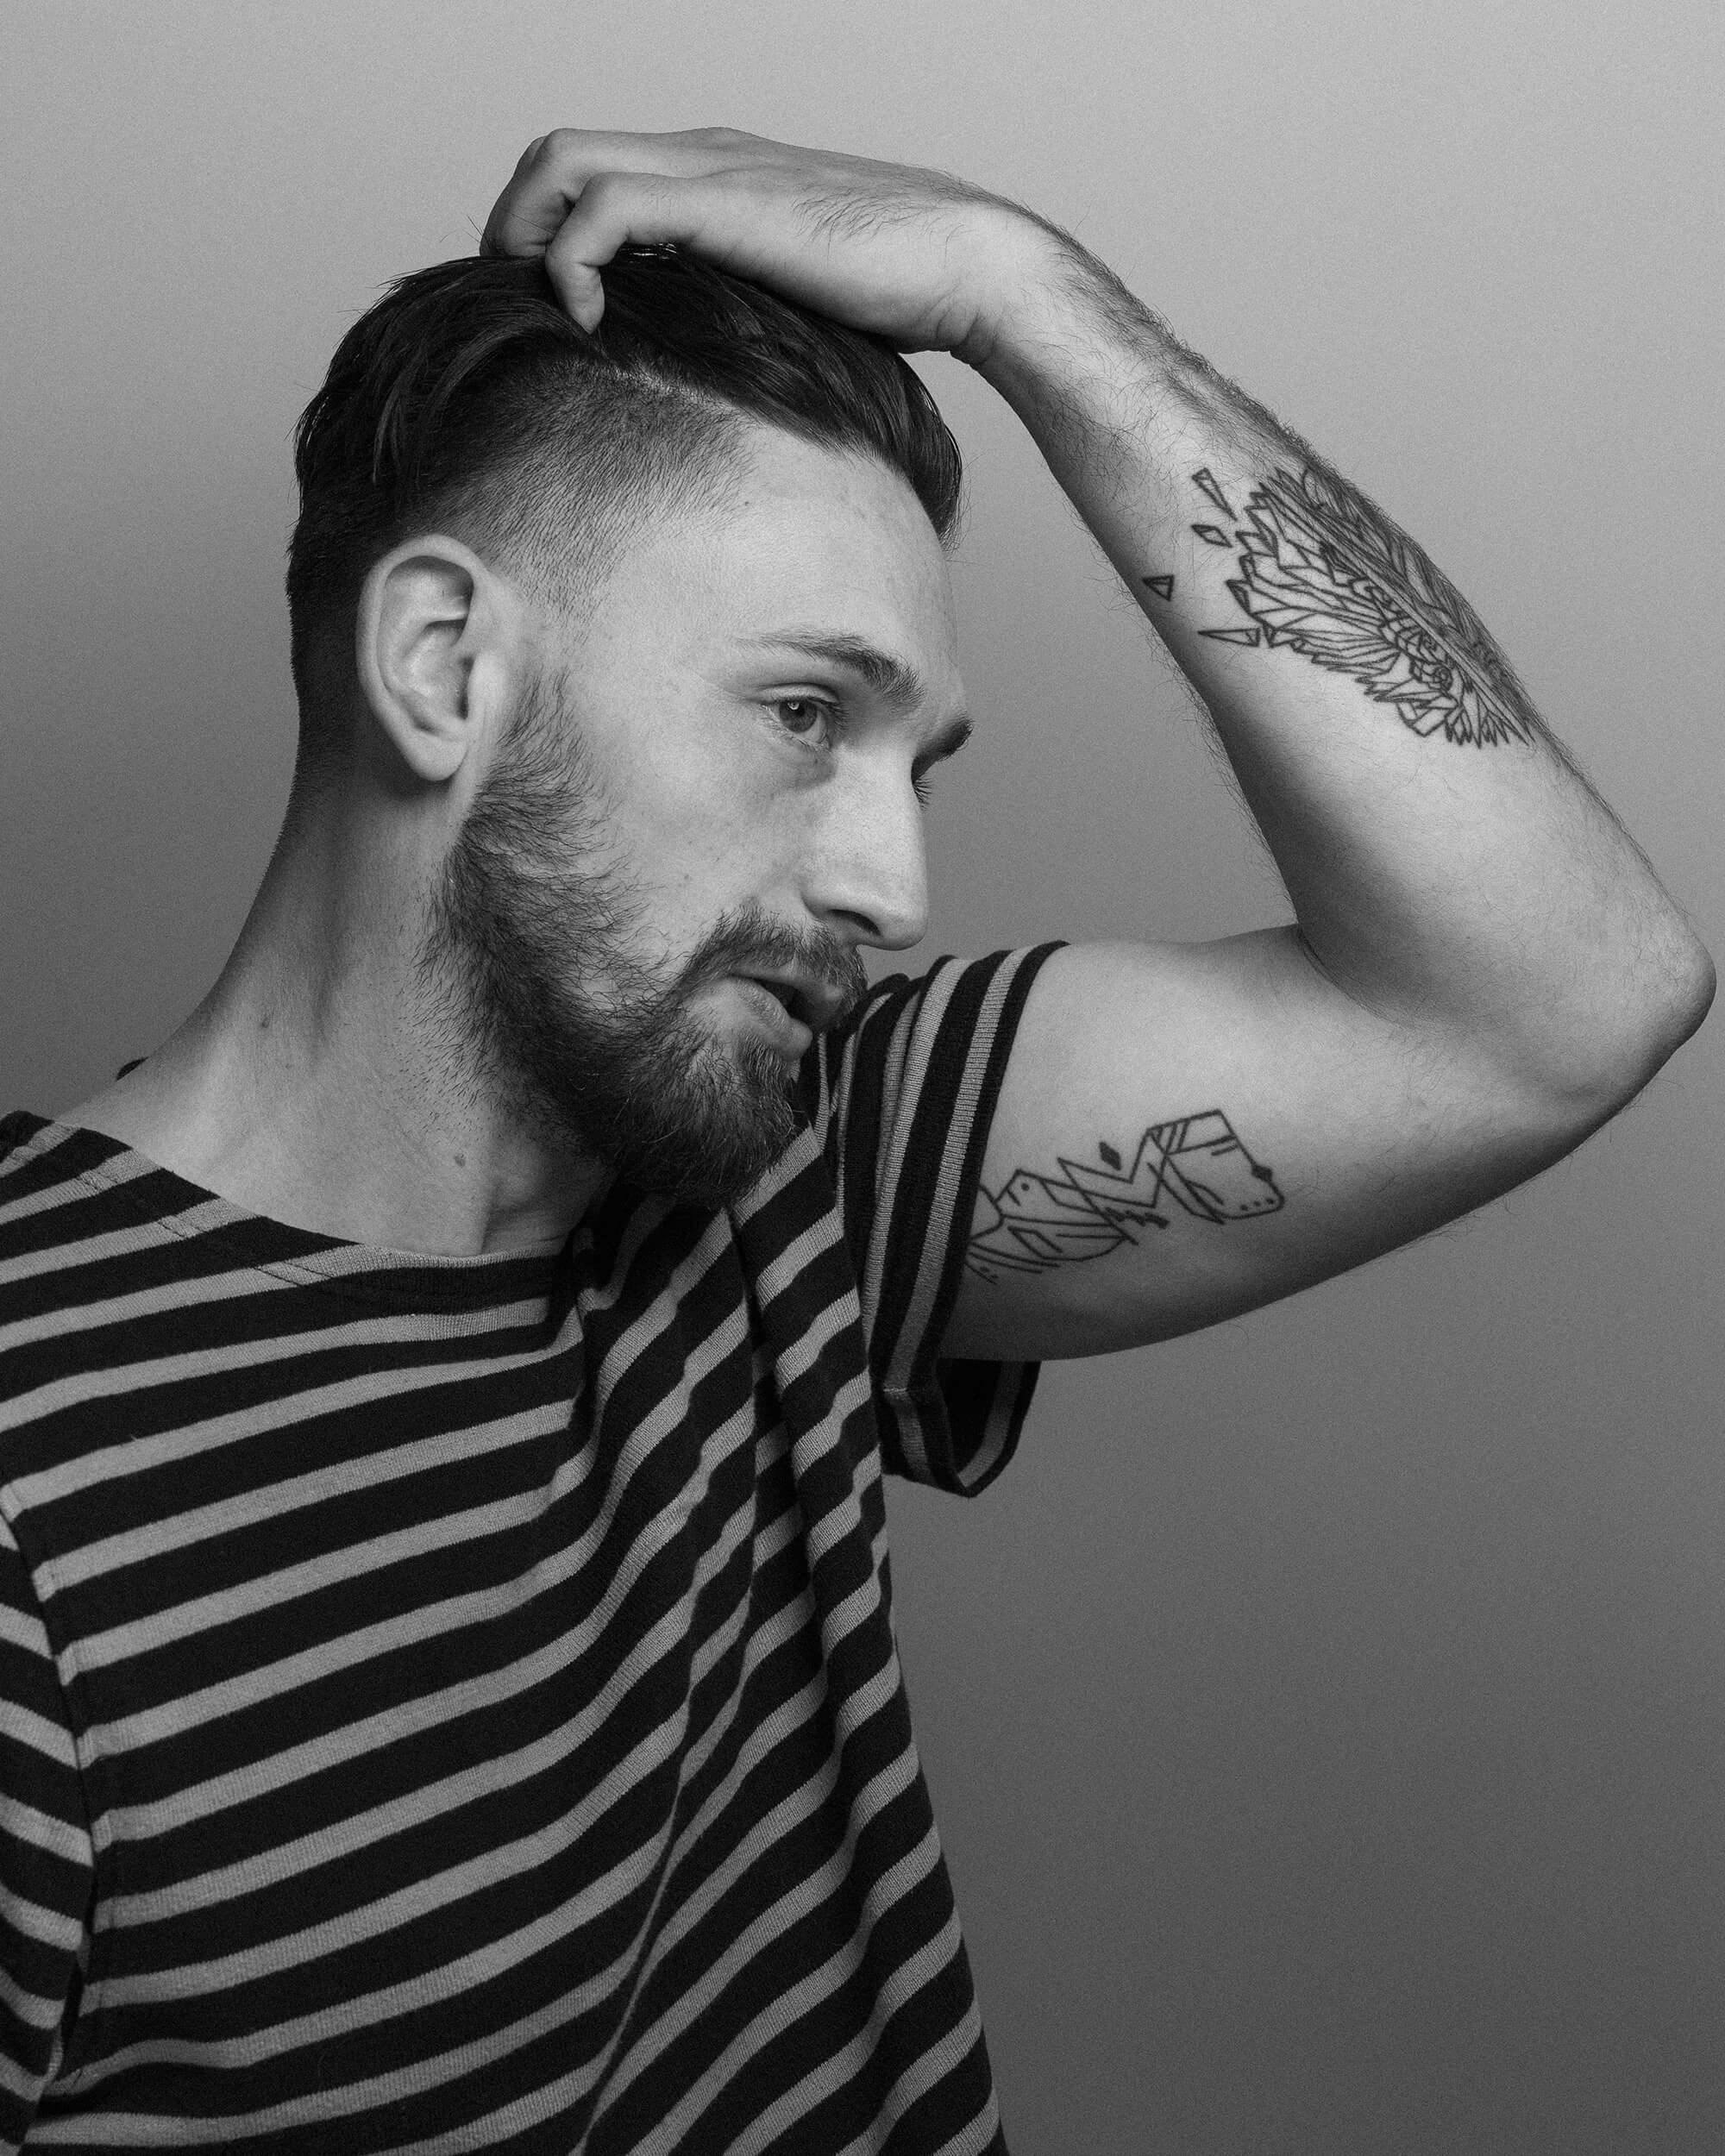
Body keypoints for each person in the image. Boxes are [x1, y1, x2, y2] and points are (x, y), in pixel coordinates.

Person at [0, 125, 1709, 2153]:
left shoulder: (794, 1175)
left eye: (918, 762)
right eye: (808, 714)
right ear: (446, 665)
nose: (896, 882)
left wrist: (1024, 294)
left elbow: (1564, 989)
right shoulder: (35, 1496)